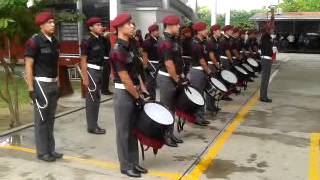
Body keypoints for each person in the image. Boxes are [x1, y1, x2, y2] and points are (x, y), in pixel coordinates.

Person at [110, 13, 148, 178]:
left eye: (132, 24)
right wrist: (137, 96)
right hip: (124, 93)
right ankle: (125, 165)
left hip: (133, 91)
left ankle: (134, 162)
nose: (133, 26)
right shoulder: (117, 50)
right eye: (129, 24)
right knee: (124, 131)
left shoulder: (130, 45)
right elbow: (125, 78)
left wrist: (142, 88)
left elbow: (136, 70)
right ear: (120, 27)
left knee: (133, 130)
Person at [25, 11, 63, 162]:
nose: (53, 25)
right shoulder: (34, 42)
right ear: (41, 25)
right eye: (49, 22)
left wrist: (59, 82)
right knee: (41, 119)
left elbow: (56, 64)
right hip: (41, 84)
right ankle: (42, 152)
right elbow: (28, 65)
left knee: (51, 118)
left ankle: (51, 150)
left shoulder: (54, 41)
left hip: (53, 83)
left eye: (53, 22)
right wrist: (30, 88)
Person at [157, 15, 187, 147]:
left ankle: (170, 133)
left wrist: (181, 76)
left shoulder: (174, 40)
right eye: (177, 24)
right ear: (170, 25)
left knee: (172, 108)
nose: (179, 27)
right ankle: (164, 136)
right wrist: (177, 79)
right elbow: (169, 64)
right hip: (167, 78)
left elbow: (178, 60)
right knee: (166, 108)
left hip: (175, 77)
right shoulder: (165, 41)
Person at [80, 17, 108, 135]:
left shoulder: (101, 39)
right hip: (91, 70)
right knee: (91, 99)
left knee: (97, 98)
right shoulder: (87, 40)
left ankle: (94, 124)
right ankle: (92, 126)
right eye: (97, 25)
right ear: (90, 27)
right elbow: (83, 60)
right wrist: (85, 78)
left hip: (100, 70)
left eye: (100, 24)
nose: (100, 26)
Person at [188, 21, 212, 126]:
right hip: (197, 71)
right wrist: (208, 71)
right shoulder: (195, 43)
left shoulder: (202, 42)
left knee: (201, 94)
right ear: (199, 31)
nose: (207, 31)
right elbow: (201, 60)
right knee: (198, 94)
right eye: (205, 29)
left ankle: (201, 116)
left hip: (201, 70)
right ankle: (197, 117)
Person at [142, 24, 161, 100]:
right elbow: (144, 55)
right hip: (151, 64)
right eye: (156, 31)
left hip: (159, 63)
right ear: (151, 32)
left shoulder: (159, 40)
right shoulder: (147, 42)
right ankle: (152, 100)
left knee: (157, 84)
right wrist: (145, 66)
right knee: (151, 84)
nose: (158, 32)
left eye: (158, 30)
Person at [259, 22, 274, 103]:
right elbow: (267, 48)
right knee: (265, 78)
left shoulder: (266, 36)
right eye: (271, 29)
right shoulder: (265, 37)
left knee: (266, 78)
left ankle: (263, 95)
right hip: (266, 59)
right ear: (268, 29)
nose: (273, 30)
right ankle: (263, 97)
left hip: (267, 58)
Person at [101, 28, 113, 95]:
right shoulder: (103, 39)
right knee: (105, 76)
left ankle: (105, 89)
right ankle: (104, 90)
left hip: (107, 59)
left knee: (106, 76)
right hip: (105, 60)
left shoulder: (107, 39)